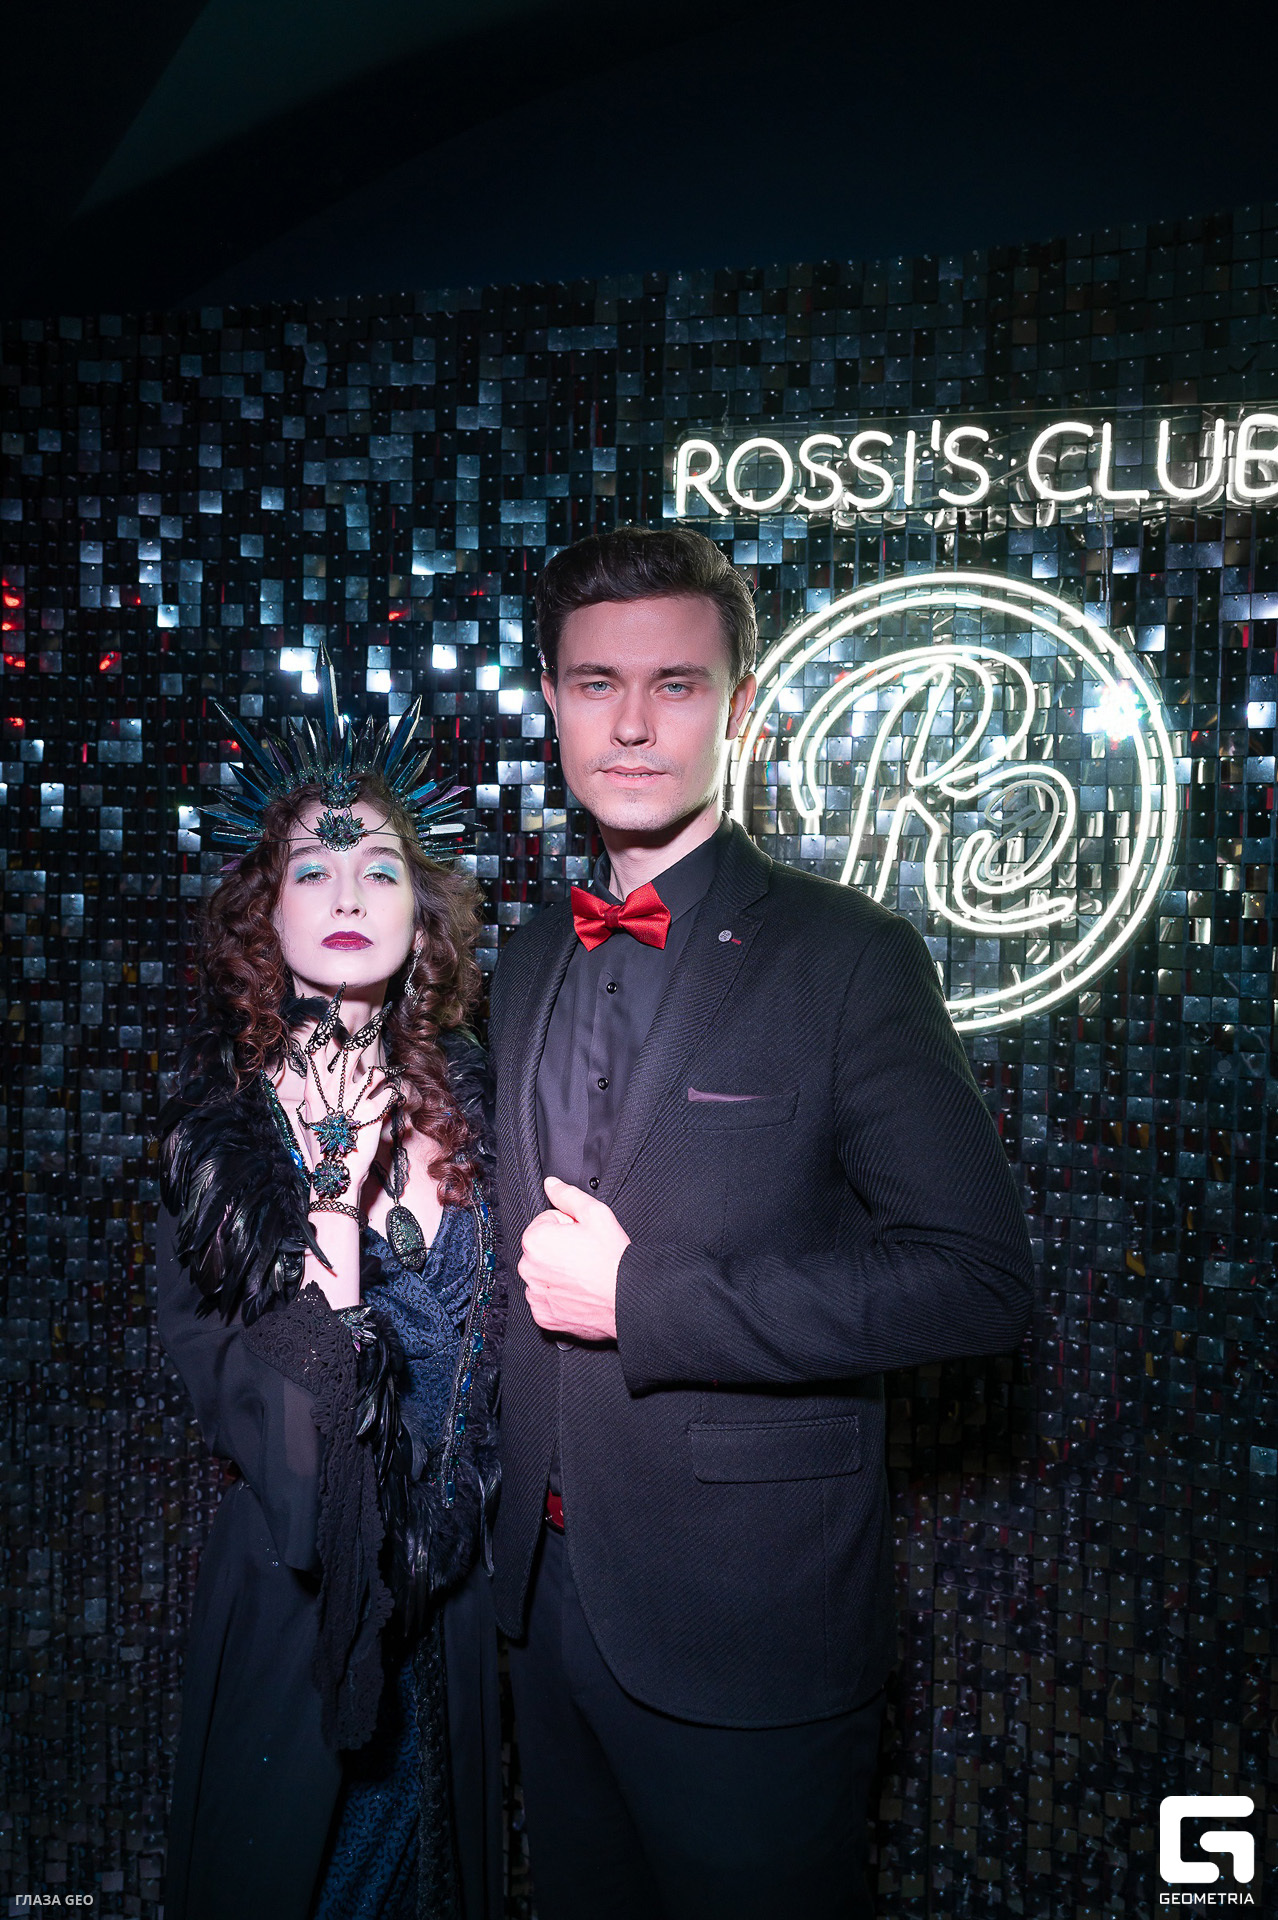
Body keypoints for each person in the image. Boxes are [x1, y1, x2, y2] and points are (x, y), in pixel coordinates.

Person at [487, 525, 1035, 1919]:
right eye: (595, 682)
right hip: (537, 1609)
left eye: (674, 684)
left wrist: (646, 1300)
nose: (630, 722)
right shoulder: (527, 956)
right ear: (551, 702)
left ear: (739, 709)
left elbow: (976, 1281)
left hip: (747, 1627)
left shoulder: (848, 957)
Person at [155, 661, 505, 1920]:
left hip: (455, 1641)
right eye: (313, 868)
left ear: (424, 915)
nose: (349, 892)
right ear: (266, 914)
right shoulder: (213, 1152)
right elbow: (302, 1494)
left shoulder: (486, 1102)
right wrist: (332, 1218)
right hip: (304, 1636)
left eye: (380, 869)